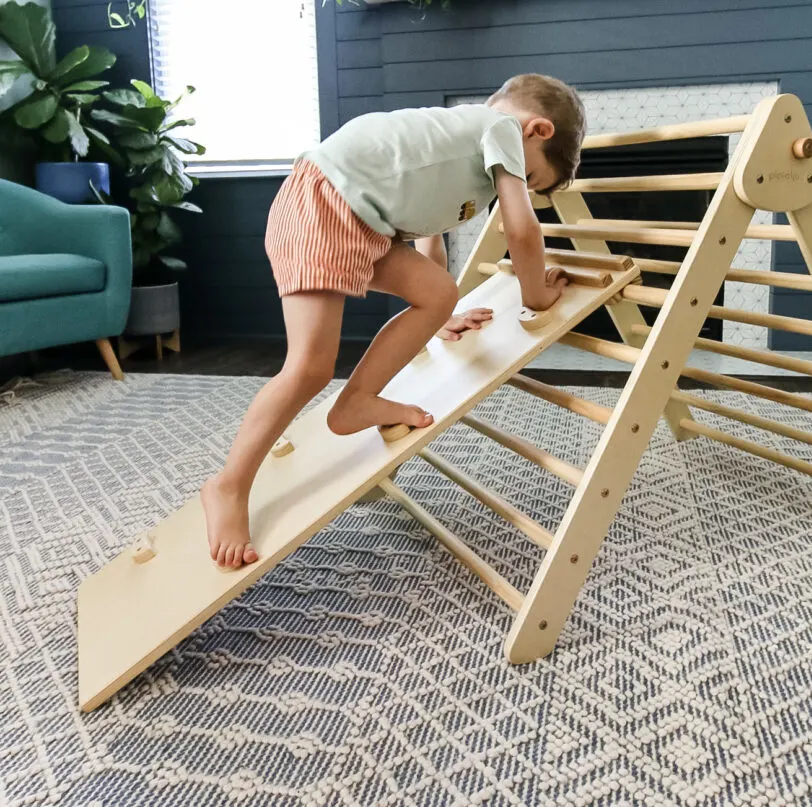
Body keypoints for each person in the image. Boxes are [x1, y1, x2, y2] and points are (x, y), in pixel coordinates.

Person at [201, 73, 587, 568]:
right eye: (532, 180)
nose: (522, 185)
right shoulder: (503, 131)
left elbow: (430, 244)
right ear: (539, 131)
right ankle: (228, 487)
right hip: (325, 206)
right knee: (309, 368)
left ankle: (358, 401)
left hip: (358, 219)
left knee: (439, 292)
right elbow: (521, 229)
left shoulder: (461, 149)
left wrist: (438, 315)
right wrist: (537, 294)